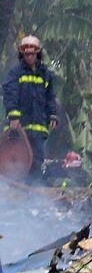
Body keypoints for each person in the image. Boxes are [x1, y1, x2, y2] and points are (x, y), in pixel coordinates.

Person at [2, 35, 58, 181]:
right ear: (22, 54)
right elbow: (10, 94)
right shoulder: (15, 73)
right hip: (21, 128)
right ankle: (18, 197)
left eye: (32, 53)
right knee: (18, 164)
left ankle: (34, 198)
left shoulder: (46, 74)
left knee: (37, 162)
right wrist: (14, 117)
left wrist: (52, 114)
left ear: (38, 53)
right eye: (26, 54)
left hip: (39, 128)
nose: (29, 56)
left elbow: (50, 97)